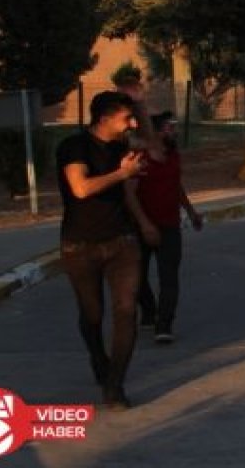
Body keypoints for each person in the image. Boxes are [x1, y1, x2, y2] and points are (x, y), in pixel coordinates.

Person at [56, 91, 155, 410]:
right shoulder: (74, 146)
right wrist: (120, 173)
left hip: (122, 242)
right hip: (80, 244)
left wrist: (144, 223)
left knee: (127, 311)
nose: (133, 123)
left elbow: (126, 189)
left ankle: (114, 386)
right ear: (104, 118)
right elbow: (81, 188)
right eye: (127, 117)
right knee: (93, 314)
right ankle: (99, 358)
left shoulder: (122, 147)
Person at [135, 111, 203, 345]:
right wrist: (143, 224)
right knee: (136, 277)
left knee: (169, 277)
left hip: (169, 226)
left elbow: (176, 186)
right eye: (168, 127)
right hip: (141, 228)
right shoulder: (139, 158)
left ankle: (164, 325)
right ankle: (148, 309)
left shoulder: (174, 155)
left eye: (173, 127)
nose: (173, 131)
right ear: (154, 133)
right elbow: (130, 194)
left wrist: (191, 212)